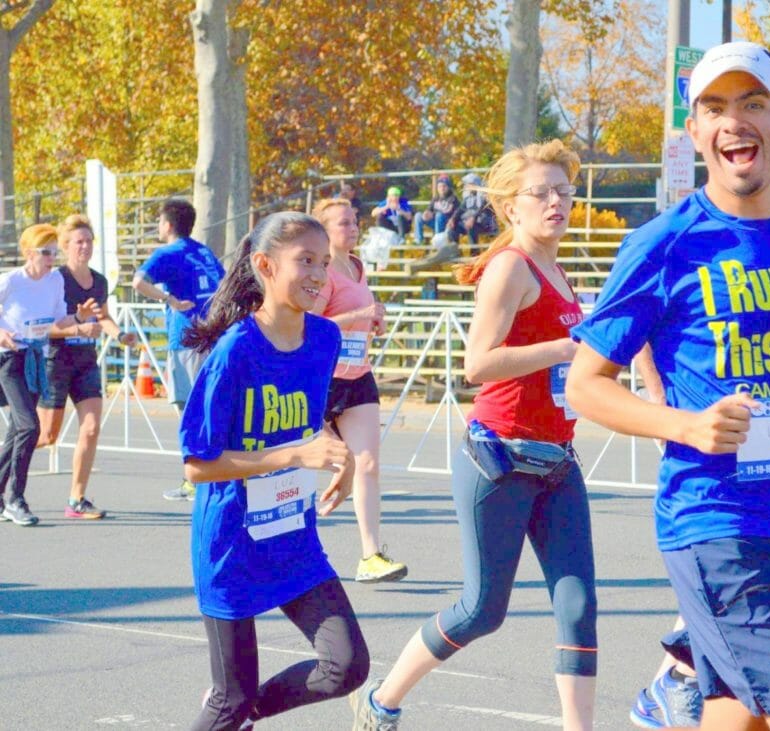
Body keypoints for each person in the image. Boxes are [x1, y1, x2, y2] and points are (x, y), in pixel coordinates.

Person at [567, 41, 770, 731]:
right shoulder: (665, 243)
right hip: (712, 520)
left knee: (739, 711)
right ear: (695, 132)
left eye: (752, 105)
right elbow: (586, 385)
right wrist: (684, 425)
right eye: (714, 108)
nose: (733, 122)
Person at [349, 139, 598, 730]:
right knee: (482, 610)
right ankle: (382, 700)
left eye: (564, 191)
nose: (556, 202)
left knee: (579, 606)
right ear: (512, 206)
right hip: (500, 457)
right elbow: (477, 364)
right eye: (541, 193)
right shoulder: (512, 265)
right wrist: (565, 348)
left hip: (557, 460)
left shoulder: (559, 268)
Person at [179, 210, 369, 730]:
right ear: (264, 265)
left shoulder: (326, 339)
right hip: (231, 544)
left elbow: (306, 422)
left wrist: (338, 457)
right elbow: (197, 466)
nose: (318, 274)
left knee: (346, 666)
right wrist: (292, 457)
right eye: (304, 260)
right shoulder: (236, 351)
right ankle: (234, 708)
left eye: (325, 263)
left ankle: (242, 711)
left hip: (291, 535)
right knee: (228, 698)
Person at [312, 197, 408, 583]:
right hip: (321, 379)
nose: (352, 229)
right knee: (314, 463)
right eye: (343, 224)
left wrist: (373, 321)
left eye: (354, 222)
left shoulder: (357, 266)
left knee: (367, 463)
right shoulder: (322, 273)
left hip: (358, 377)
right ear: (323, 232)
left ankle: (370, 555)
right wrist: (358, 316)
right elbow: (312, 325)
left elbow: (356, 317)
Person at [36, 214, 137, 520]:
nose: (85, 247)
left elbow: (102, 316)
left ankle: (76, 499)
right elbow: (45, 327)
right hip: (56, 362)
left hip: (85, 364)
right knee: (44, 436)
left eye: (89, 241)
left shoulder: (99, 280)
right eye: (79, 241)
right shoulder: (56, 280)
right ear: (66, 246)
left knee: (91, 429)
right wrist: (76, 329)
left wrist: (120, 334)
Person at [0, 224, 98, 526]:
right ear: (30, 253)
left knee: (18, 430)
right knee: (30, 427)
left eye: (55, 252)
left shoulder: (55, 280)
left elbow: (59, 320)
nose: (52, 258)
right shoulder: (11, 281)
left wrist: (79, 319)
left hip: (36, 360)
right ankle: (15, 499)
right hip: (10, 360)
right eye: (46, 252)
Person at [132, 198, 225, 500]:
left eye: (160, 221)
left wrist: (169, 300)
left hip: (187, 338)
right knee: (211, 403)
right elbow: (224, 285)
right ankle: (212, 472)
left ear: (168, 225)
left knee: (189, 410)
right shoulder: (204, 252)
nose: (158, 226)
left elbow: (138, 282)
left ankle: (197, 477)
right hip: (214, 336)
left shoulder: (168, 253)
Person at [445, 172, 498, 255]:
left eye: (469, 184)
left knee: (471, 227)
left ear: (475, 184)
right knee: (453, 228)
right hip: (470, 222)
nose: (467, 186)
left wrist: (473, 218)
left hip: (484, 223)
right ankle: (456, 253)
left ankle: (474, 254)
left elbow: (482, 208)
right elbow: (461, 208)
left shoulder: (484, 194)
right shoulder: (468, 194)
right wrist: (453, 219)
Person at [413, 174, 458, 245]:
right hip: (435, 222)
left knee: (439, 215)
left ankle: (437, 240)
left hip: (447, 224)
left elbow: (447, 211)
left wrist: (433, 214)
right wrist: (426, 214)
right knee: (418, 215)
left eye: (444, 186)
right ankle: (419, 239)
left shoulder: (452, 198)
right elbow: (429, 209)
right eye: (440, 186)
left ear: (448, 187)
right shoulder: (435, 198)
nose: (442, 188)